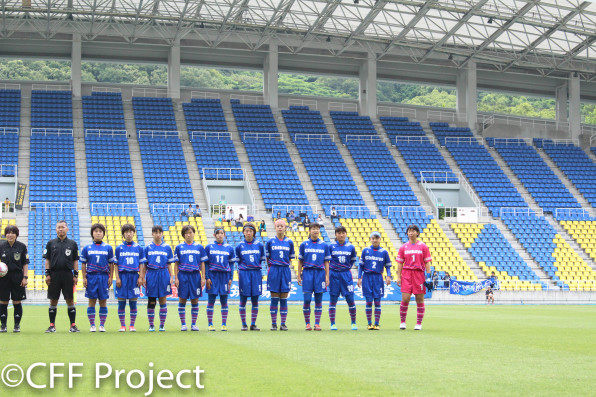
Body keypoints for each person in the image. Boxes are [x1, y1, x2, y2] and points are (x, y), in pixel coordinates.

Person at [44, 220, 80, 333]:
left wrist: (76, 274)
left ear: (67, 229)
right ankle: (52, 326)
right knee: (53, 300)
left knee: (70, 300)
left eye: (63, 227)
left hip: (67, 274)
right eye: (59, 227)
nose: (61, 229)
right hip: (54, 274)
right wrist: (47, 273)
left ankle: (73, 326)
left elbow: (75, 260)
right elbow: (47, 259)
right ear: (56, 229)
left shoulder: (73, 244)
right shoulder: (51, 243)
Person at [396, 225, 432, 331]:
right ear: (407, 233)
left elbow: (427, 262)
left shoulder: (423, 246)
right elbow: (399, 263)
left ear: (417, 233)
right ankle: (403, 322)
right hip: (407, 274)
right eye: (409, 231)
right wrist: (398, 276)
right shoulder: (403, 247)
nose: (411, 233)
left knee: (419, 299)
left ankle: (418, 323)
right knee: (405, 298)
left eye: (413, 231)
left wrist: (428, 276)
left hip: (419, 274)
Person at [80, 224, 114, 332]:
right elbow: (83, 264)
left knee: (103, 301)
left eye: (100, 231)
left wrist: (111, 277)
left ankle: (102, 325)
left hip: (104, 276)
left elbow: (111, 264)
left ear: (103, 233)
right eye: (96, 231)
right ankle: (92, 325)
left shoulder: (108, 247)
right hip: (91, 276)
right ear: (92, 233)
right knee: (92, 301)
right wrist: (84, 278)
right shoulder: (87, 248)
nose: (98, 233)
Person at [297, 223, 330, 331]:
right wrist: (298, 275)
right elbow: (300, 261)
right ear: (310, 230)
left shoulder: (324, 245)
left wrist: (327, 276)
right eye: (313, 229)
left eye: (317, 229)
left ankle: (317, 323)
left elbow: (326, 262)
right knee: (307, 300)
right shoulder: (304, 244)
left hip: (320, 273)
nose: (315, 231)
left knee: (318, 300)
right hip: (307, 273)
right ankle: (307, 324)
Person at [142, 225, 175, 332]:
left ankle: (162, 325)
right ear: (152, 234)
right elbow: (144, 265)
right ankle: (151, 325)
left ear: (162, 234)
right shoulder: (148, 248)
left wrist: (172, 276)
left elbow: (169, 264)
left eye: (159, 232)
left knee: (162, 299)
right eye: (155, 232)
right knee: (151, 300)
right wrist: (142, 277)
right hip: (151, 274)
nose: (157, 234)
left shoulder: (167, 247)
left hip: (163, 273)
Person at [174, 225, 207, 332]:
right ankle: (183, 324)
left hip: (195, 275)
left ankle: (193, 324)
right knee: (182, 299)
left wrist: (203, 277)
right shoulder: (179, 247)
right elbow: (176, 264)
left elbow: (202, 263)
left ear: (194, 233)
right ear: (183, 235)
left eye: (190, 232)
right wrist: (176, 278)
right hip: (183, 275)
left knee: (195, 299)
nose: (189, 234)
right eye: (186, 233)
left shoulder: (199, 247)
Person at [357, 231, 392, 330]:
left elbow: (388, 266)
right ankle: (369, 323)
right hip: (367, 277)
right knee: (368, 301)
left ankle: (376, 323)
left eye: (377, 238)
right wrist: (359, 278)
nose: (375, 240)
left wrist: (388, 276)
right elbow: (361, 266)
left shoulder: (384, 252)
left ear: (380, 239)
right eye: (373, 238)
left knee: (377, 301)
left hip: (378, 278)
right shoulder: (365, 250)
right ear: (370, 239)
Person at [114, 223, 146, 332]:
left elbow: (141, 264)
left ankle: (132, 325)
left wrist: (141, 277)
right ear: (123, 234)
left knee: (133, 302)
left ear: (134, 233)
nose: (129, 234)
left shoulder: (139, 248)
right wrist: (117, 278)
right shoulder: (119, 248)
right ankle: (122, 325)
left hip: (134, 276)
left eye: (130, 232)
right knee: (121, 302)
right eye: (126, 232)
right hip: (122, 276)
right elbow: (116, 265)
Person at [205, 227, 237, 331]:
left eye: (222, 233)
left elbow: (231, 264)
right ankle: (210, 324)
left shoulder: (229, 248)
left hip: (224, 276)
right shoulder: (209, 247)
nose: (220, 235)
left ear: (224, 235)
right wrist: (207, 277)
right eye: (217, 233)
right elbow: (205, 264)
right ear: (214, 235)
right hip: (213, 276)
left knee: (224, 301)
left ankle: (224, 324)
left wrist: (231, 277)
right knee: (211, 300)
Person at [265, 219, 294, 331]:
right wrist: (273, 267)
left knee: (284, 297)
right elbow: (268, 258)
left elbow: (290, 259)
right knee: (274, 297)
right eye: (278, 226)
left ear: (285, 227)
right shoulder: (270, 242)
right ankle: (273, 324)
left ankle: (283, 323)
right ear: (275, 227)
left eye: (282, 226)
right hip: (274, 270)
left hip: (285, 270)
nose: (280, 228)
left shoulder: (289, 242)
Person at [235, 223, 266, 331]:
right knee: (243, 299)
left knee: (255, 299)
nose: (248, 233)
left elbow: (262, 260)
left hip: (256, 273)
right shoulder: (239, 246)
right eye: (246, 231)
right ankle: (244, 324)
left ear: (254, 232)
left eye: (250, 231)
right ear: (243, 232)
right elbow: (237, 262)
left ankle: (253, 324)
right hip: (244, 273)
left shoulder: (260, 245)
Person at [328, 225, 358, 331]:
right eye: (339, 233)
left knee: (350, 299)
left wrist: (346, 268)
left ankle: (353, 323)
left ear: (346, 234)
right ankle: (333, 324)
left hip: (346, 275)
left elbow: (352, 261)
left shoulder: (351, 247)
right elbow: (327, 262)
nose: (341, 235)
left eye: (343, 233)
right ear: (336, 235)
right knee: (333, 299)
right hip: (334, 275)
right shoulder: (331, 247)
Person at [0, 225, 28, 333]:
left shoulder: (22, 246)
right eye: (8, 232)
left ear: (16, 235)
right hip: (3, 278)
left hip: (17, 277)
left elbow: (25, 264)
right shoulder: (1, 246)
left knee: (17, 301)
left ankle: (17, 325)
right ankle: (3, 325)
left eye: (12, 233)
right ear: (5, 234)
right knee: (3, 301)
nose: (10, 235)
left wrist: (25, 278)